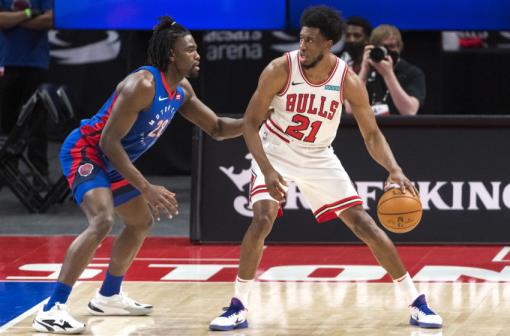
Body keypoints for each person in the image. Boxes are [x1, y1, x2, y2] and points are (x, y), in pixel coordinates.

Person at [209, 6, 442, 331]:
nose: (302, 46)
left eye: (310, 41)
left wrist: (394, 169)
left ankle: (416, 301)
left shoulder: (346, 80)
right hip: (274, 149)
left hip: (318, 155)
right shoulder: (280, 69)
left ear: (328, 43)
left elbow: (371, 134)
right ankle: (237, 306)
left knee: (365, 226)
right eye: (301, 39)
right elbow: (250, 123)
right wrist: (268, 169)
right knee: (262, 219)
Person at [32, 17, 243, 334]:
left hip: (116, 159)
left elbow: (217, 128)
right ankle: (52, 309)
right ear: (172, 54)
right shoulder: (142, 85)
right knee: (102, 220)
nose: (197, 54)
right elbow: (107, 142)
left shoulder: (181, 90)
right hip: (87, 151)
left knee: (140, 221)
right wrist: (145, 187)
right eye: (191, 49)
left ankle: (109, 295)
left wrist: (258, 119)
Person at [0, 0, 53, 183]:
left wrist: (13, 19)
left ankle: (39, 172)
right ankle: (7, 170)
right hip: (8, 64)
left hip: (36, 65)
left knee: (37, 121)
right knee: (7, 122)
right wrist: (30, 14)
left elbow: (48, 21)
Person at [358, 24, 425, 116]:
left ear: (399, 47)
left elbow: (409, 111)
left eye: (392, 46)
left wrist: (388, 74)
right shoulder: (365, 73)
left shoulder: (413, 73)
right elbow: (350, 109)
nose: (387, 52)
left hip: (399, 129)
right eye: (382, 47)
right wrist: (364, 70)